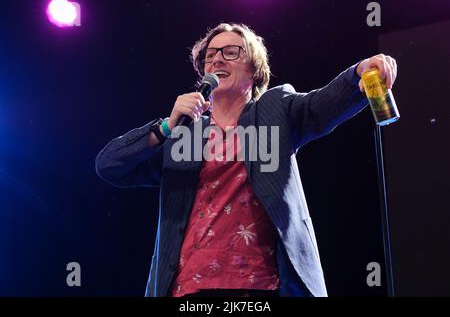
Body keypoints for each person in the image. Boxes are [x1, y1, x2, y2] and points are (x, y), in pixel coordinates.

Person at [95, 23, 397, 297]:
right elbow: (109, 165)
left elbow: (323, 105)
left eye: (230, 52)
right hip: (187, 290)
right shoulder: (182, 133)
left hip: (261, 287)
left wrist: (360, 71)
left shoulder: (275, 111)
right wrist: (164, 127)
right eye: (210, 55)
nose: (217, 60)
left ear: (254, 70)